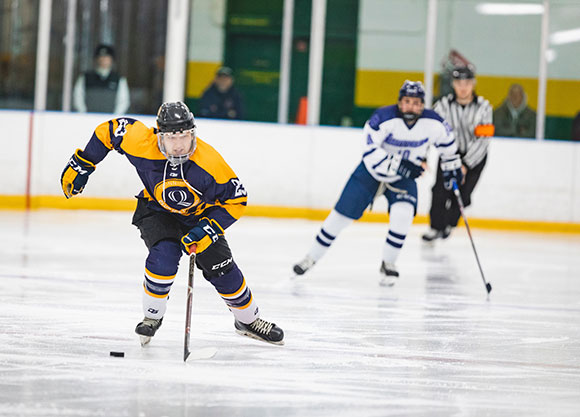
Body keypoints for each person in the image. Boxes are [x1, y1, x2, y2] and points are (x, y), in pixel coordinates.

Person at [60, 102, 283, 345]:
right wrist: (83, 162)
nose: (179, 144)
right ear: (159, 135)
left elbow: (237, 199)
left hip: (200, 217)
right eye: (171, 137)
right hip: (156, 209)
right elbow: (109, 131)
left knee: (223, 270)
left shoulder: (210, 164)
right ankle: (152, 317)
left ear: (193, 134)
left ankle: (248, 320)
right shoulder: (141, 142)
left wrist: (207, 230)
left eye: (185, 136)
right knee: (163, 256)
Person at [292, 81, 463, 286]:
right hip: (370, 174)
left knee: (403, 215)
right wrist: (399, 164)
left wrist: (452, 168)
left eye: (416, 103)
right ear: (399, 102)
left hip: (404, 178)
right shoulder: (382, 118)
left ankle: (388, 264)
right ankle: (310, 258)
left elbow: (449, 146)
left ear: (422, 105)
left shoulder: (434, 123)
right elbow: (369, 151)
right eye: (407, 101)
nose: (411, 106)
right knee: (339, 218)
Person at [422, 66, 494, 242]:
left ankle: (449, 224)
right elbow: (429, 131)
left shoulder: (484, 107)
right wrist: (422, 156)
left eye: (467, 83)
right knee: (440, 190)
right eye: (459, 83)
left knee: (463, 195)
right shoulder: (443, 106)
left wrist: (466, 164)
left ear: (473, 84)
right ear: (453, 84)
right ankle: (435, 227)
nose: (463, 87)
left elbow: (483, 141)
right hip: (449, 155)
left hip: (475, 157)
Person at [73, 44, 130, 114]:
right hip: (88, 119)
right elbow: (78, 98)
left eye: (106, 57)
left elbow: (123, 101)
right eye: (101, 57)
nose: (104, 60)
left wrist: (115, 117)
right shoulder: (85, 77)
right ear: (96, 59)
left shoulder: (119, 79)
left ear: (111, 60)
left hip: (110, 121)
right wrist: (84, 114)